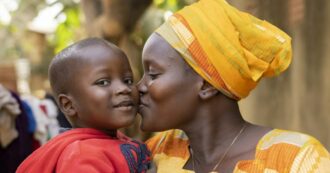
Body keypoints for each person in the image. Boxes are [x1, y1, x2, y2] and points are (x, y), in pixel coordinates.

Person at [137, 0, 330, 172]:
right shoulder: (153, 154)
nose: (139, 87)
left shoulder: (297, 161)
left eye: (153, 74)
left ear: (206, 85)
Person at [17, 38, 153, 173]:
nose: (124, 88)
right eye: (103, 82)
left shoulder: (119, 141)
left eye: (128, 80)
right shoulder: (80, 155)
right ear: (69, 105)